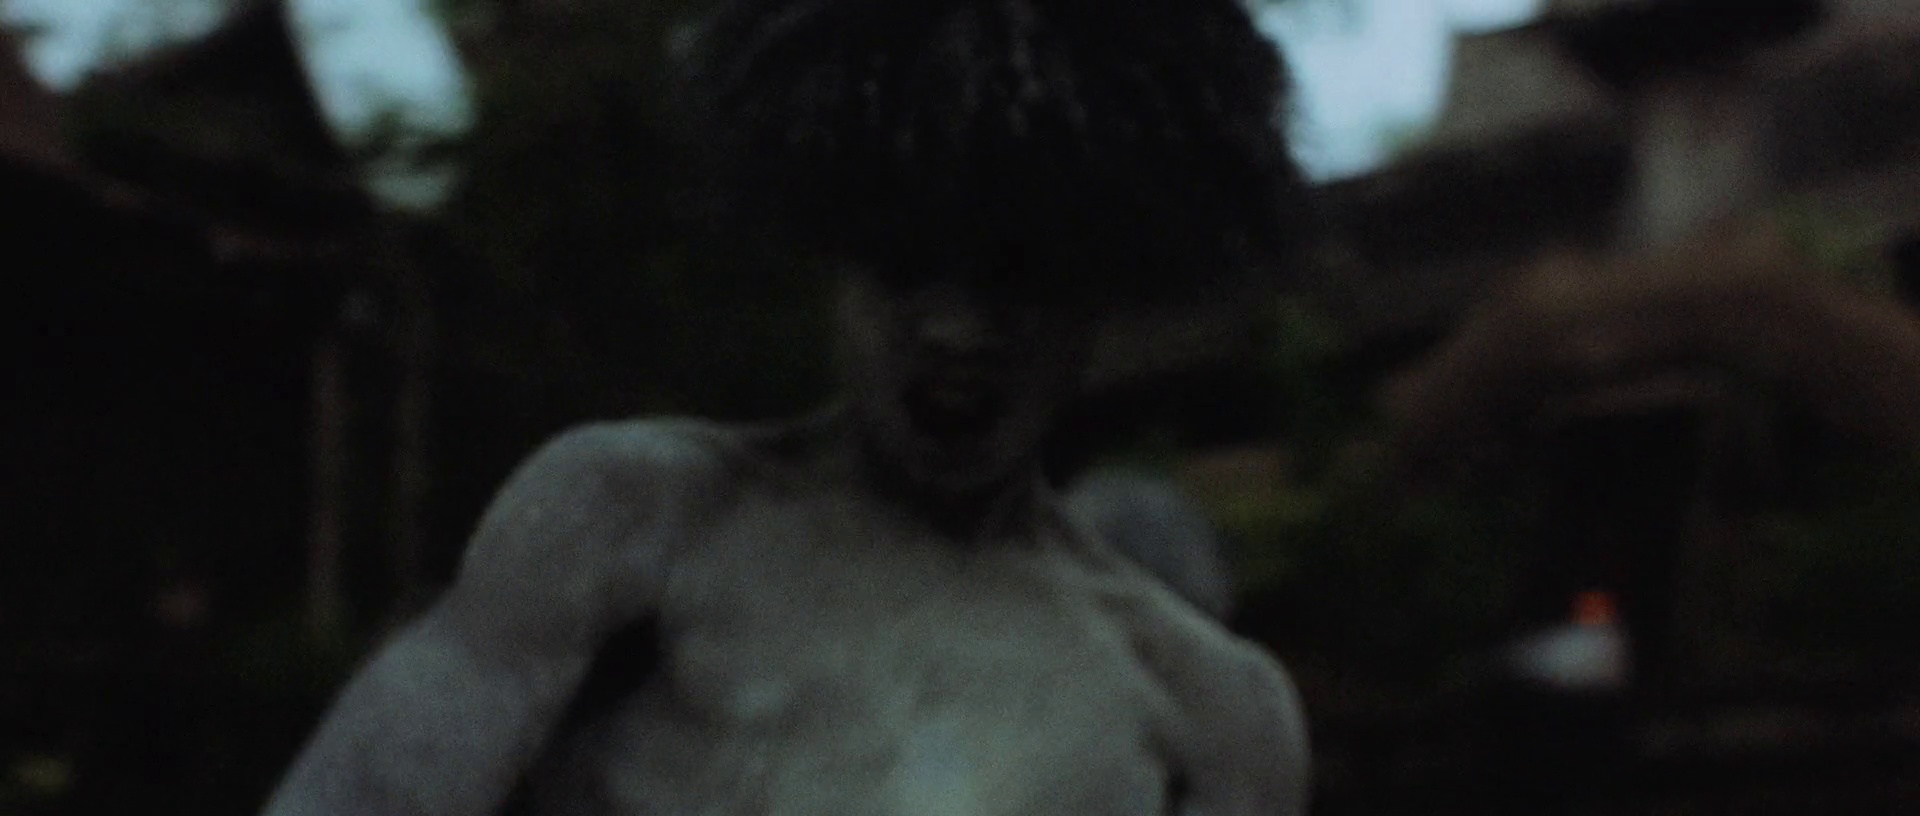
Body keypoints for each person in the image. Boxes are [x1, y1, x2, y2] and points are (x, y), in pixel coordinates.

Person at [261, 0, 1317, 813]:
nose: (956, 330)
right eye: (905, 266)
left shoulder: (1212, 706)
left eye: (1014, 279)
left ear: (1098, 292)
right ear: (834, 261)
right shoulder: (635, 515)